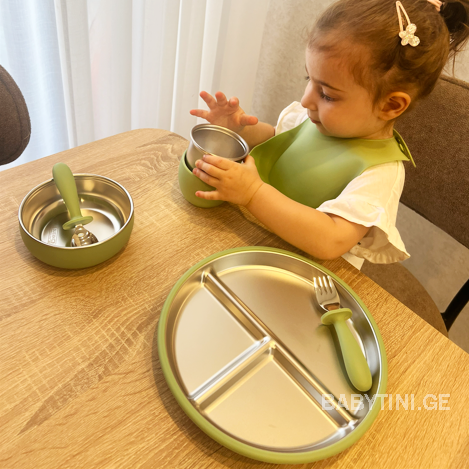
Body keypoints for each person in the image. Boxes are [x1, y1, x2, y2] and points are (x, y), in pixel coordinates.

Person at [189, 0, 469, 269]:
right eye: (308, 79)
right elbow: (278, 140)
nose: (306, 100)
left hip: (302, 272)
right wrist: (240, 129)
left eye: (326, 94)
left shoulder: (380, 174)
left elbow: (331, 240)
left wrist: (253, 194)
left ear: (390, 105)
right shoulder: (317, 119)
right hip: (251, 236)